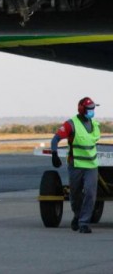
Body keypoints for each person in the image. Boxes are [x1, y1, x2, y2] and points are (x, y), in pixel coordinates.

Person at [50, 97, 101, 234]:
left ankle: (84, 222)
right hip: (76, 164)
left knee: (90, 193)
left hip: (91, 165)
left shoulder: (95, 124)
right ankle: (78, 215)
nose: (92, 112)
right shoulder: (71, 124)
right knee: (75, 193)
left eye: (93, 109)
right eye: (90, 109)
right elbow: (55, 139)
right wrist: (54, 154)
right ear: (82, 110)